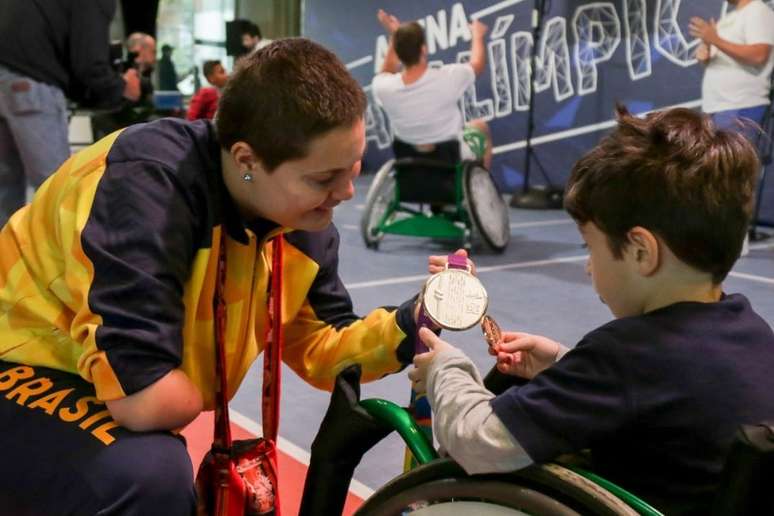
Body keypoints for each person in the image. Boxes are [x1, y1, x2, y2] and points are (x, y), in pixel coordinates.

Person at [0, 38, 443, 515]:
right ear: (247, 160)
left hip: (109, 381)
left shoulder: (298, 223)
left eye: (352, 167)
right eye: (323, 178)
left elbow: (322, 346)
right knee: (148, 475)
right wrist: (186, 393)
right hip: (24, 360)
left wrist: (410, 320)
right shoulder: (148, 185)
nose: (347, 191)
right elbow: (144, 399)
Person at [409, 106, 774, 515]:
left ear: (640, 251)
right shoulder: (754, 333)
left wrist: (447, 369)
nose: (588, 265)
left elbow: (478, 440)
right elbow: (661, 403)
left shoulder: (624, 355)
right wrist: (563, 366)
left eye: (590, 246)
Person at [0, 0, 140, 227]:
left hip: (9, 73)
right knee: (58, 189)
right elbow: (89, 65)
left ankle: (6, 260)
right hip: (30, 83)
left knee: (5, 190)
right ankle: (68, 260)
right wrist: (122, 86)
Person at [371, 9, 493, 169]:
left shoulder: (383, 88)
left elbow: (386, 71)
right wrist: (477, 35)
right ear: (424, 49)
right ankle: (480, 185)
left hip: (412, 165)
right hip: (452, 160)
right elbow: (477, 64)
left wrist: (396, 36)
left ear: (397, 52)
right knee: (480, 127)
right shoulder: (447, 78)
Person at [690, 0, 774, 136]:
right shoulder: (727, 19)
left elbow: (759, 55)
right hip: (714, 107)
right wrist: (706, 50)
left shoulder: (758, 10)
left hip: (741, 106)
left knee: (737, 158)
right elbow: (716, 54)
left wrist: (715, 39)